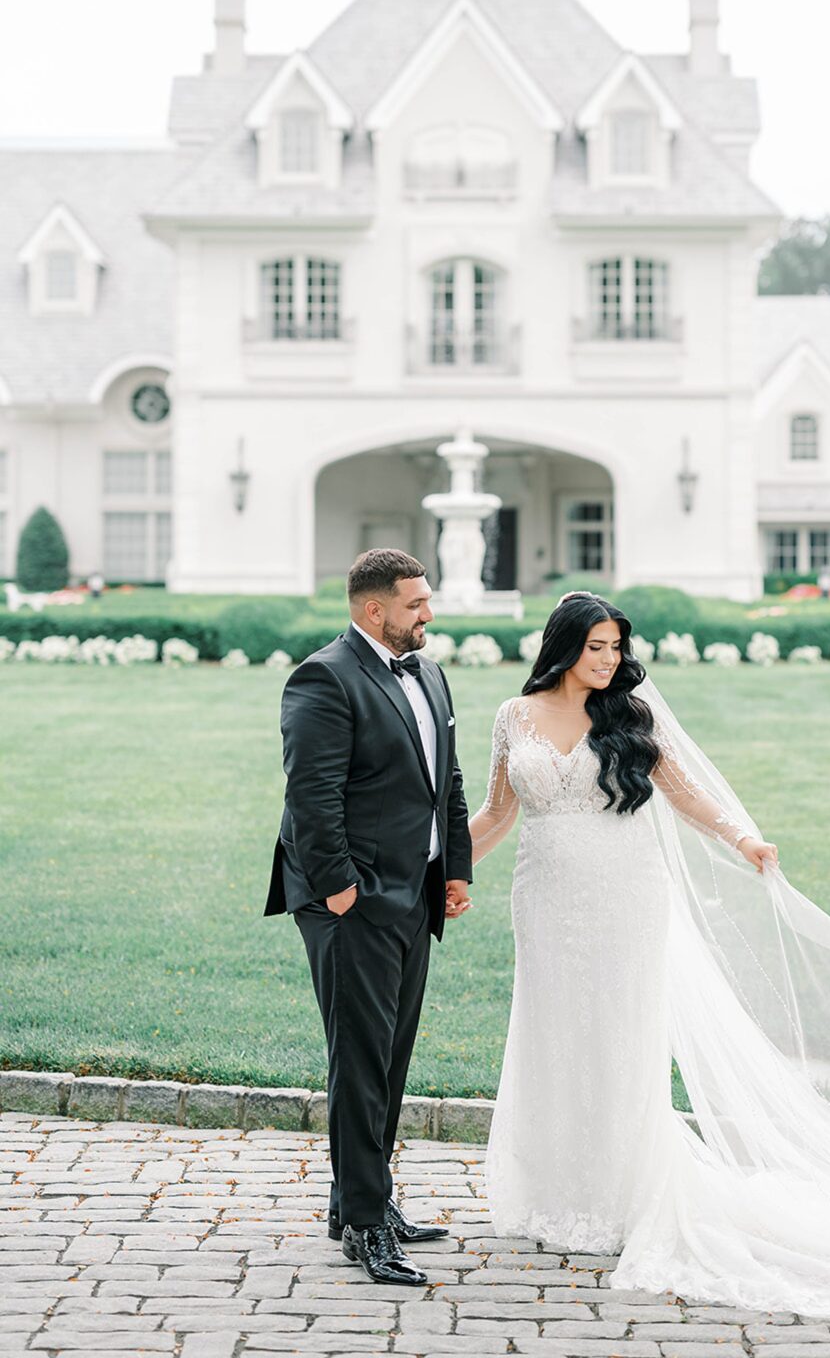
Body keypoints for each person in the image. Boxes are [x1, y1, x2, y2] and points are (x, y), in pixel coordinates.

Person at [468, 590, 830, 1316]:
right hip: (545, 894)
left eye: (616, 648)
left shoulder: (629, 716)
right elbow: (497, 812)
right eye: (595, 647)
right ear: (562, 646)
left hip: (626, 894)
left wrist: (741, 836)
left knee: (623, 1035)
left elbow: (684, 793)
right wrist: (444, 868)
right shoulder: (514, 716)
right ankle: (555, 1191)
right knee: (553, 1032)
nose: (608, 660)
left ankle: (621, 1191)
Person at [263, 549, 473, 1286]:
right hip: (350, 900)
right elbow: (311, 795)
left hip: (414, 891)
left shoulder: (429, 673)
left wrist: (454, 871)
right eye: (416, 604)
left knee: (389, 1056)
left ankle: (364, 1201)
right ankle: (363, 1223)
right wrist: (339, 889)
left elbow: (444, 779)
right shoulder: (323, 677)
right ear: (371, 609)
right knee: (358, 1062)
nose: (428, 614)